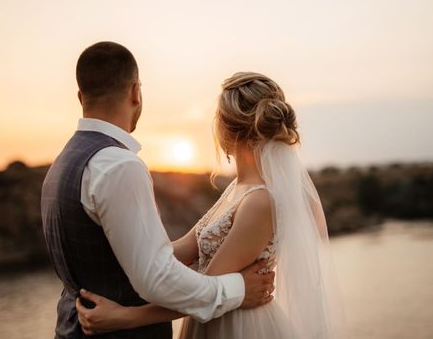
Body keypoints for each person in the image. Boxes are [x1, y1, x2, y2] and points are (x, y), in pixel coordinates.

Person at [75, 72, 349, 338]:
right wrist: (123, 251)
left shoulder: (260, 201)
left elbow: (206, 285)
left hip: (240, 327)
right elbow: (183, 249)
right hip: (213, 318)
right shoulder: (237, 189)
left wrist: (123, 318)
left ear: (226, 128)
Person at [41, 42, 275, 339]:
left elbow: (149, 254)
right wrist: (239, 289)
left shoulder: (63, 163)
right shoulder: (119, 165)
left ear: (80, 96)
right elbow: (157, 277)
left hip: (71, 328)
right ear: (136, 92)